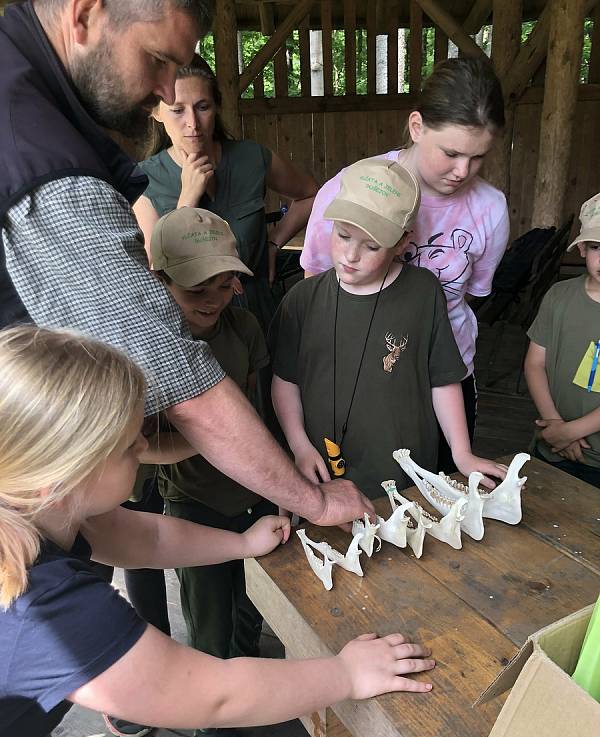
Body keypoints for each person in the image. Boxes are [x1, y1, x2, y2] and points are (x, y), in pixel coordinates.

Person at [0, 325, 436, 737]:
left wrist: (242, 544)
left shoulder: (36, 506)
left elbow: (143, 537)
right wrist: (345, 674)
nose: (145, 449)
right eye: (130, 446)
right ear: (63, 479)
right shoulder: (47, 610)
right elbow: (214, 693)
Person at [0, 1, 373, 531]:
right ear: (84, 14)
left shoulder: (26, 96)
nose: (170, 92)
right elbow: (179, 382)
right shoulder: (41, 158)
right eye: (156, 60)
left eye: (179, 68)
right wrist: (316, 502)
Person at [300, 57, 510, 474]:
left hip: (447, 377)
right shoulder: (349, 191)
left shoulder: (491, 208)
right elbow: (318, 290)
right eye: (451, 153)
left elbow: (467, 297)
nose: (462, 171)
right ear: (417, 127)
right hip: (362, 374)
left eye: (478, 158)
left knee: (448, 487)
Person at [269, 158, 507, 500]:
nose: (351, 255)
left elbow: (444, 378)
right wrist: (298, 445)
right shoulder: (301, 300)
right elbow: (284, 380)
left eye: (371, 246)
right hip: (320, 468)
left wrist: (461, 452)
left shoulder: (423, 292)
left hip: (404, 467)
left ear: (402, 241)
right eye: (343, 235)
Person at [150, 207, 278, 737]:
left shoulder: (244, 330)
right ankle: (212, 725)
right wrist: (204, 437)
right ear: (158, 281)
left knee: (256, 604)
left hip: (253, 493)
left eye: (223, 282)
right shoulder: (149, 347)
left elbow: (258, 410)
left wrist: (274, 479)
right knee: (209, 613)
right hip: (194, 501)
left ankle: (246, 677)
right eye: (195, 285)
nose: (213, 296)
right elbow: (140, 445)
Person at [134, 54, 319, 331]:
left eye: (203, 107)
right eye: (177, 110)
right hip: (191, 328)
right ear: (155, 112)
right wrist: (187, 200)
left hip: (258, 314)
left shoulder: (250, 158)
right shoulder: (145, 180)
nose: (193, 123)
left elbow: (311, 194)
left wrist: (273, 243)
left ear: (217, 106)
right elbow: (155, 272)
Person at [524, 192, 600, 489]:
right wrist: (554, 424)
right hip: (551, 448)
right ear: (582, 248)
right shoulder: (559, 296)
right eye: (597, 247)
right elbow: (534, 364)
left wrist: (570, 432)